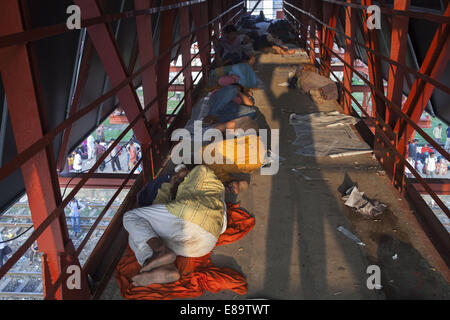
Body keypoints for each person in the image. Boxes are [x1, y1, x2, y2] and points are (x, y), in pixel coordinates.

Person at [123, 165, 231, 286]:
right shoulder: (217, 191)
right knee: (138, 233)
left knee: (131, 218)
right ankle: (165, 268)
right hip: (206, 244)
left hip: (190, 216)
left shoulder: (199, 171)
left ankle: (159, 252)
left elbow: (159, 203)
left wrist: (171, 183)